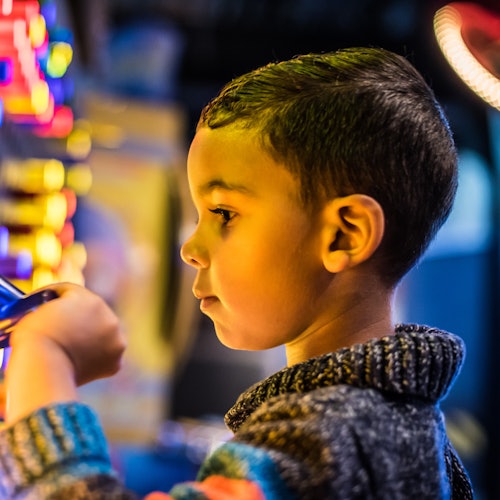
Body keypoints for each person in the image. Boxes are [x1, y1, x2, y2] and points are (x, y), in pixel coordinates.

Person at [0, 47, 473, 499]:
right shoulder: (397, 438)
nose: (190, 248)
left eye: (224, 213)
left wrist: (46, 353)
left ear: (344, 235)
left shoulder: (338, 442)